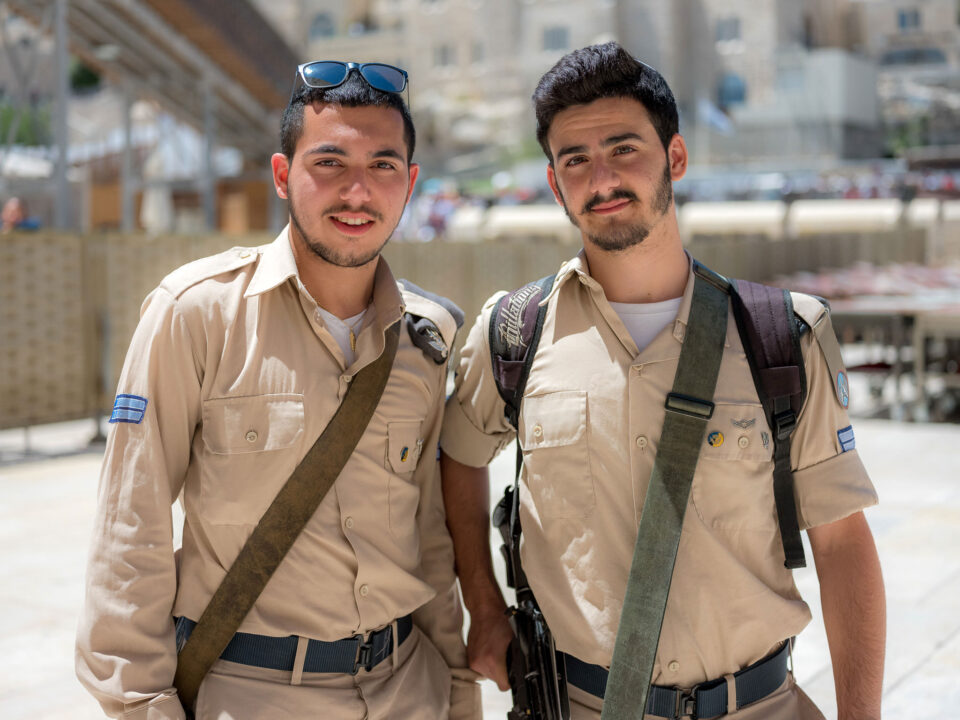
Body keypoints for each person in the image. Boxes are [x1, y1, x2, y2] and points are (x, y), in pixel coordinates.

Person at [440, 43, 884, 720]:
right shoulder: (513, 333)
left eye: (624, 149)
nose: (603, 178)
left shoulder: (781, 334)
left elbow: (843, 543)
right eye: (575, 160)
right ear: (556, 184)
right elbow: (460, 457)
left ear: (674, 158)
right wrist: (484, 604)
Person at [76, 63, 480, 720]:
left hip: (409, 689)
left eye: (383, 166)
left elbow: (429, 539)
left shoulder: (426, 338)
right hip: (250, 695)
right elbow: (131, 527)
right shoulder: (195, 314)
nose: (358, 190)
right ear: (283, 176)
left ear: (410, 184)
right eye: (330, 163)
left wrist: (457, 695)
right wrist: (141, 705)